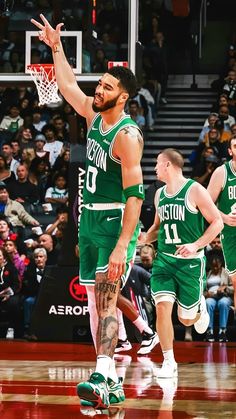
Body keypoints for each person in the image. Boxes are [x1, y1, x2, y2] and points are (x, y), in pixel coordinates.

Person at [31, 14, 145, 409]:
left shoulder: (127, 136)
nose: (98, 90)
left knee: (108, 301)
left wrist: (122, 246)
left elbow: (135, 197)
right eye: (99, 84)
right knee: (97, 307)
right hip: (90, 221)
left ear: (123, 96)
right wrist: (57, 48)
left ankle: (102, 373)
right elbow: (66, 86)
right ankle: (110, 382)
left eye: (107, 87)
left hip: (115, 223)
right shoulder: (95, 116)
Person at [140, 148, 223, 378]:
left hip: (190, 263)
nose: (155, 168)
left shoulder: (194, 190)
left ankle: (199, 307)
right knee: (162, 308)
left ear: (168, 165)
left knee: (186, 318)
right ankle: (169, 361)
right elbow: (158, 228)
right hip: (164, 261)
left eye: (157, 163)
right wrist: (143, 238)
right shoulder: (159, 195)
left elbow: (217, 223)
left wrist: (196, 245)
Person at [207, 137, 236, 312]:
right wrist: (224, 218)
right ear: (230, 151)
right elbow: (207, 205)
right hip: (230, 233)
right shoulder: (221, 172)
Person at [204, 254, 233, 343]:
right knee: (208, 303)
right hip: (211, 296)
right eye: (213, 266)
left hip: (224, 296)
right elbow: (203, 289)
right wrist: (206, 293)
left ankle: (222, 331)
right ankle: (209, 331)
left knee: (223, 303)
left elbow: (233, 288)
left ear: (221, 264)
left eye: (217, 266)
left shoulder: (226, 273)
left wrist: (225, 288)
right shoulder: (208, 274)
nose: (215, 268)